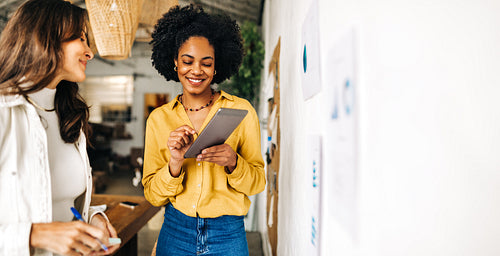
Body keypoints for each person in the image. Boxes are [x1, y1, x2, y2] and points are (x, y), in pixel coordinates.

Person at [143, 4, 266, 256]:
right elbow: (153, 196)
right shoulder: (158, 119)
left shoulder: (241, 111)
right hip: (176, 229)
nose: (196, 70)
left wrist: (233, 162)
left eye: (206, 63)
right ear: (175, 62)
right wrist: (174, 164)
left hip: (228, 233)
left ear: (217, 66)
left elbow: (257, 182)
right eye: (187, 61)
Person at [0, 0, 119, 255]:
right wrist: (34, 234)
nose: (90, 53)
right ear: (46, 38)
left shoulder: (69, 114)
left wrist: (92, 218)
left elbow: (65, 203)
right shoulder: (3, 112)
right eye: (81, 39)